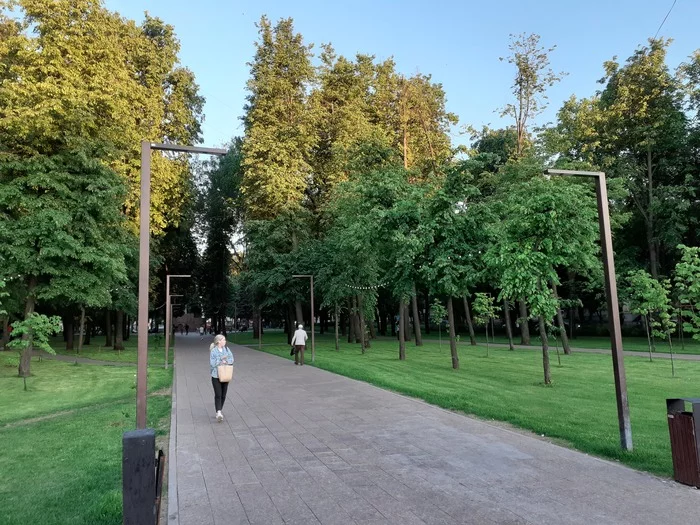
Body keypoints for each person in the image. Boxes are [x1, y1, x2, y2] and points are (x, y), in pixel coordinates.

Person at [209, 334, 234, 422]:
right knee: (218, 394)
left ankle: (219, 410)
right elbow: (212, 364)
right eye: (223, 340)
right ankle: (218, 412)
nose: (225, 341)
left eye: (225, 340)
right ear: (218, 341)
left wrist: (226, 360)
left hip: (225, 375)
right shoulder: (213, 351)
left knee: (223, 395)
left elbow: (232, 359)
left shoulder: (227, 349)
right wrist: (221, 359)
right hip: (216, 376)